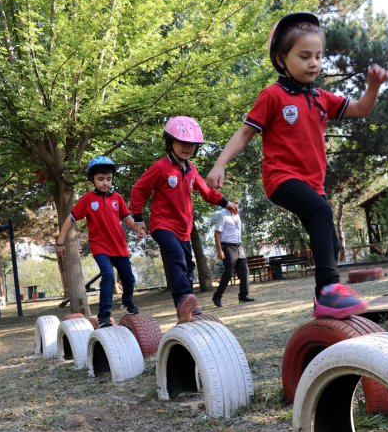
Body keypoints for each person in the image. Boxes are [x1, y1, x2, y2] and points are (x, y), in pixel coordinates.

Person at [206, 12, 388, 320]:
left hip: (313, 185)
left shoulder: (321, 97)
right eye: (304, 56)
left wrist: (373, 86)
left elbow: (361, 109)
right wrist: (219, 164)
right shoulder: (273, 95)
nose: (314, 63)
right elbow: (245, 132)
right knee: (320, 212)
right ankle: (331, 289)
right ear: (281, 60)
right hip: (281, 179)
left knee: (329, 241)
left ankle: (324, 299)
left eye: (319, 56)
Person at [130, 116, 238, 323]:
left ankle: (185, 309)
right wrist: (138, 218)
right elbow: (138, 190)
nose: (188, 148)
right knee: (177, 258)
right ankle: (183, 298)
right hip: (162, 225)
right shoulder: (160, 167)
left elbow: (207, 192)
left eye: (192, 145)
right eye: (183, 143)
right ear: (171, 143)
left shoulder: (191, 170)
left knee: (188, 265)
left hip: (184, 229)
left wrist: (226, 203)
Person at [56, 156, 140, 329]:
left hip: (119, 246)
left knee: (129, 279)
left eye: (108, 179)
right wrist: (60, 241)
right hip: (100, 247)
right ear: (92, 179)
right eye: (100, 179)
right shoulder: (88, 199)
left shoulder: (117, 198)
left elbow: (127, 218)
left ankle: (127, 302)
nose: (105, 183)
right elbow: (70, 219)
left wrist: (138, 228)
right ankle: (104, 316)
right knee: (108, 275)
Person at [212, 198, 254, 307]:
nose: (236, 206)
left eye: (237, 205)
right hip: (228, 246)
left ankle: (243, 296)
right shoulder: (223, 215)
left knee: (245, 271)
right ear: (229, 205)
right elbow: (217, 234)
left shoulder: (237, 215)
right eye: (234, 204)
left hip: (239, 245)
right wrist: (219, 250)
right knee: (229, 272)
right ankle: (217, 296)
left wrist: (237, 203)